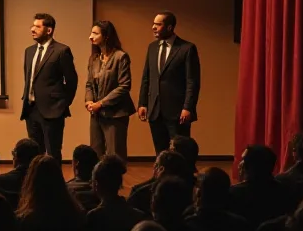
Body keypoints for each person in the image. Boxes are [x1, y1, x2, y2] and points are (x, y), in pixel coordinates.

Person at [137, 11, 201, 154]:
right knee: (161, 152)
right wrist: (142, 103)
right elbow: (146, 77)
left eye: (158, 24)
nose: (153, 27)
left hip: (177, 112)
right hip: (155, 111)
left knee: (180, 151)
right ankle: (162, 176)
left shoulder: (187, 48)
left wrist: (187, 107)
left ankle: (182, 176)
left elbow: (192, 81)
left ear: (170, 27)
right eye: (153, 24)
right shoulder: (152, 47)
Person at [20, 13, 78, 161]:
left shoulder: (61, 50)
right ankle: (36, 183)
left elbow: (71, 80)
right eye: (32, 26)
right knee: (34, 154)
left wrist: (62, 103)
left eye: (37, 26)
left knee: (53, 153)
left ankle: (54, 184)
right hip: (31, 109)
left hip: (52, 110)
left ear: (49, 30)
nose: (32, 29)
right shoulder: (29, 51)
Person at [84, 21, 135, 161]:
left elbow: (124, 86)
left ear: (106, 36)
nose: (90, 36)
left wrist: (101, 103)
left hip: (116, 113)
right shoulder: (94, 58)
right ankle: (96, 182)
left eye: (95, 33)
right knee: (95, 152)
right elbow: (89, 84)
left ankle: (115, 183)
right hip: (96, 113)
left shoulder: (120, 57)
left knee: (115, 154)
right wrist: (89, 101)